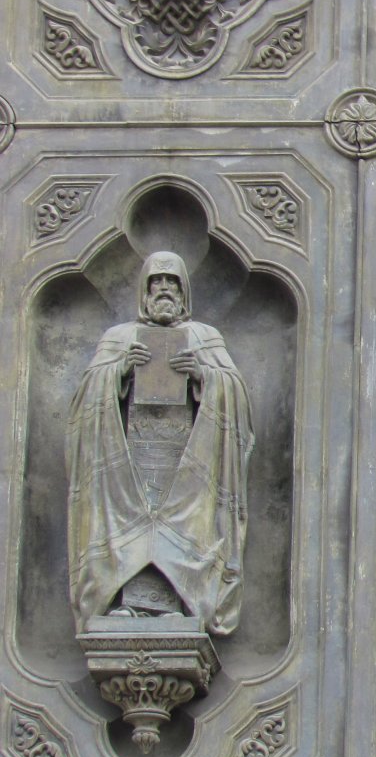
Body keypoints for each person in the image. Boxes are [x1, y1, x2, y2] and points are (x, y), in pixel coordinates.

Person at [66, 251, 254, 635]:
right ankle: (128, 603)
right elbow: (85, 400)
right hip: (131, 458)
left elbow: (236, 396)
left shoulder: (204, 337)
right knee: (133, 519)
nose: (164, 289)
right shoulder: (118, 338)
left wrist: (204, 375)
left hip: (187, 459)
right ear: (145, 291)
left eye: (171, 283)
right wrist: (118, 371)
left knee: (181, 524)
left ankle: (177, 603)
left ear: (183, 292)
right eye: (157, 283)